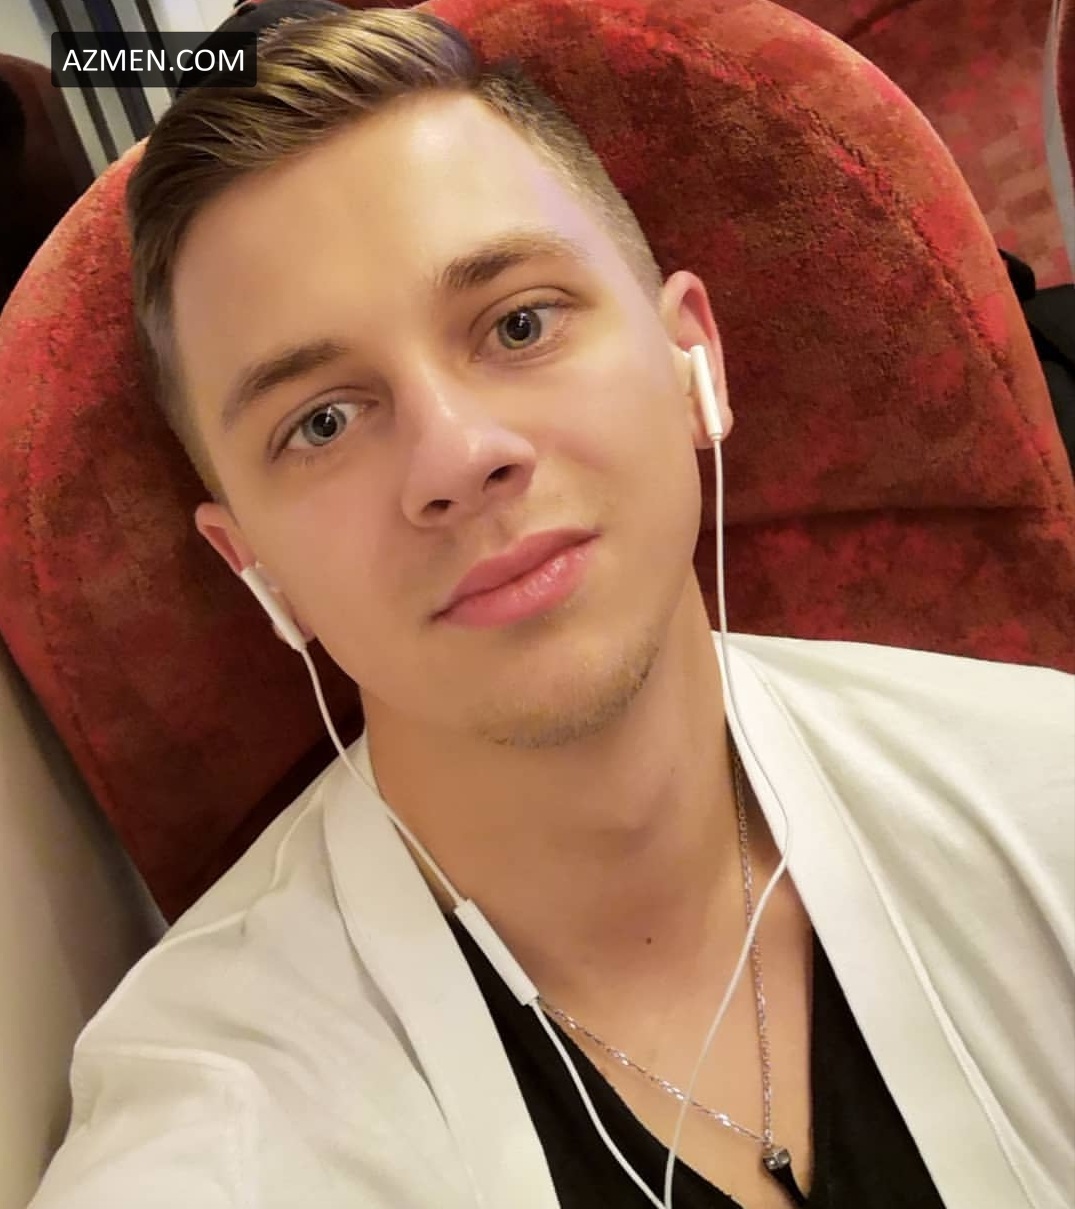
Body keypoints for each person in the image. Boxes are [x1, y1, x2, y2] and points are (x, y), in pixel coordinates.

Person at [30, 8, 1074, 1209]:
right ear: (253, 565)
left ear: (693, 360)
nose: (456, 457)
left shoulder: (1044, 792)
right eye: (321, 421)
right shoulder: (221, 1137)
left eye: (518, 323)